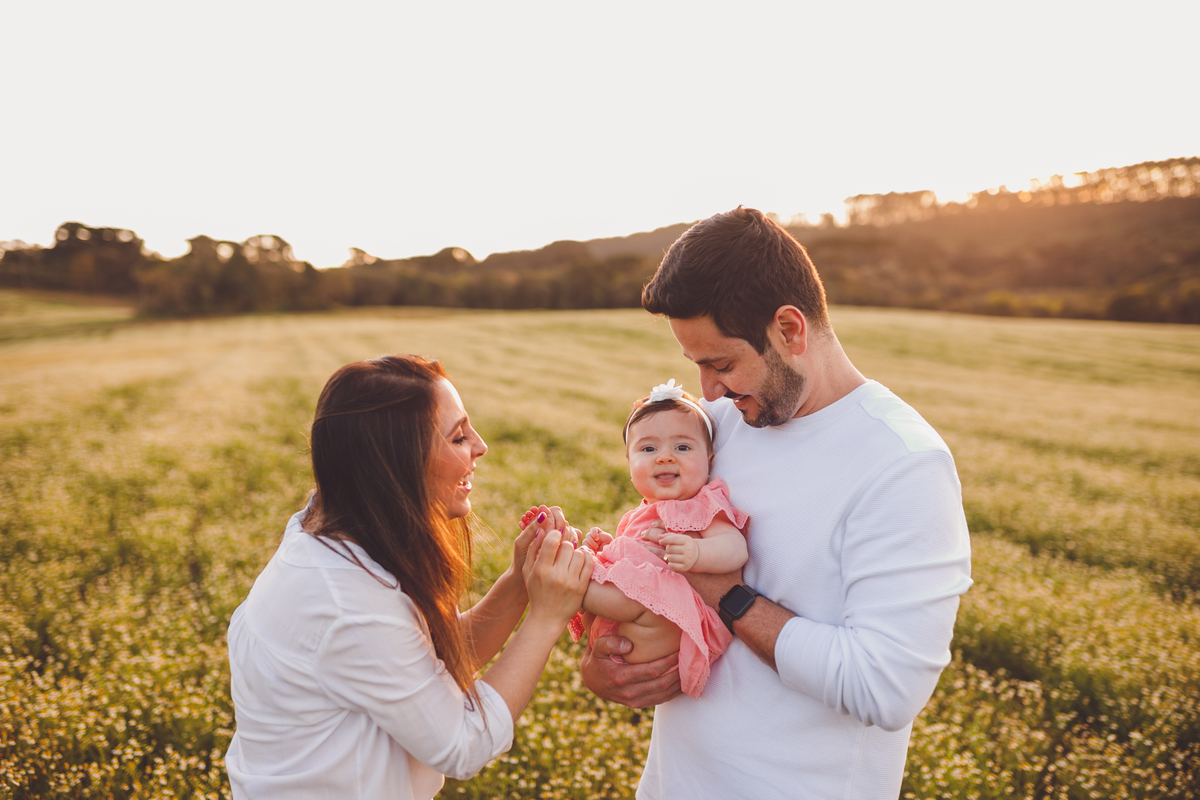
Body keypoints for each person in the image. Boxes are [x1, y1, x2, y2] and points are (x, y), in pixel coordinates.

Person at [580, 207, 973, 799]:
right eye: (698, 367)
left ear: (790, 330)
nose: (709, 391)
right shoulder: (717, 426)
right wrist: (607, 662)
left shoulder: (904, 464)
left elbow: (884, 689)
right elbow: (651, 569)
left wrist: (726, 592)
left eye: (722, 364)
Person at [225, 355, 592, 800]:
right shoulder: (349, 603)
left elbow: (431, 658)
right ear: (396, 463)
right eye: (458, 436)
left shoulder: (327, 536)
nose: (480, 446)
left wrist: (519, 582)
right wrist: (546, 618)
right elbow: (464, 742)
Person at [532, 379, 749, 698]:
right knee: (626, 593)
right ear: (629, 463)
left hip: (671, 623)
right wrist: (605, 551)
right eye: (648, 449)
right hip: (625, 632)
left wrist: (697, 551)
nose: (665, 457)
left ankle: (572, 579)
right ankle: (581, 567)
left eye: (683, 447)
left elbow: (735, 548)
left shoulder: (703, 504)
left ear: (710, 459)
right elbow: (635, 565)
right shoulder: (638, 515)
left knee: (636, 598)